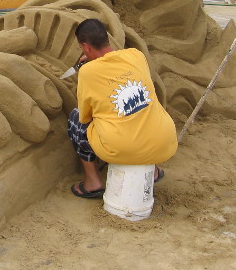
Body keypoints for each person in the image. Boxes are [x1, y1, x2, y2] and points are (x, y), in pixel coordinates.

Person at [67, 18, 178, 198]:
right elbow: (116, 60)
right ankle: (154, 171)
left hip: (121, 149)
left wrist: (90, 65)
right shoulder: (136, 56)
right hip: (163, 142)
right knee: (144, 108)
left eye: (82, 48)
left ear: (86, 47)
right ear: (106, 38)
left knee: (76, 118)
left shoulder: (87, 72)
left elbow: (86, 117)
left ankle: (93, 182)